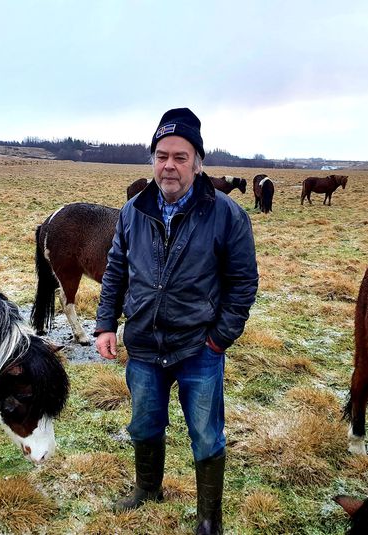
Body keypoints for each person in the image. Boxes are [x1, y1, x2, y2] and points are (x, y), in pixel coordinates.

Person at [94, 107, 258, 535]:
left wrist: (220, 339)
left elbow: (242, 283)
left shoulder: (226, 214)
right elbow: (116, 270)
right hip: (144, 345)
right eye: (162, 155)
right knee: (144, 423)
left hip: (198, 347)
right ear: (152, 159)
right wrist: (106, 324)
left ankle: (209, 519)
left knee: (206, 433)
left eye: (180, 156)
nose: (169, 165)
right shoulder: (133, 210)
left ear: (198, 162)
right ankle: (148, 489)